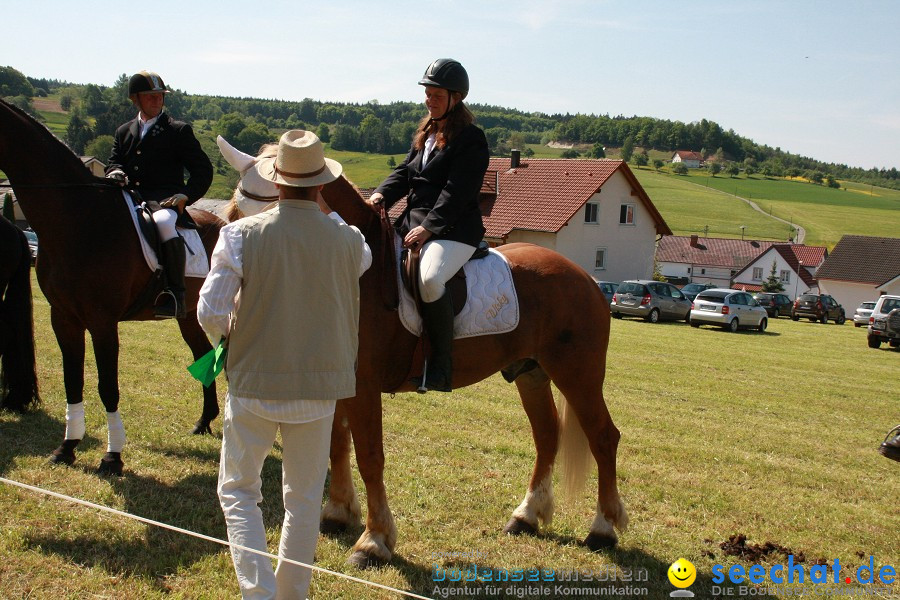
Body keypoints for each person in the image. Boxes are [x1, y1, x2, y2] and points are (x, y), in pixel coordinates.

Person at [197, 129, 371, 599]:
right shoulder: (351, 241)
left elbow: (209, 313)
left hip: (253, 382)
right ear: (321, 185)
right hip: (319, 391)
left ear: (275, 182)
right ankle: (292, 594)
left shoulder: (237, 234)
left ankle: (259, 594)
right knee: (303, 499)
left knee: (238, 492)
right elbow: (362, 259)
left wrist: (238, 329)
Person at [365, 58, 489, 393]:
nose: (429, 99)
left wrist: (431, 228)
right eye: (427, 92)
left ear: (456, 97)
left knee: (430, 278)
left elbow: (457, 192)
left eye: (436, 93)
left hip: (456, 228)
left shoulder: (471, 138)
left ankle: (440, 367)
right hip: (412, 222)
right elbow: (405, 173)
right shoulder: (426, 133)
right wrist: (379, 196)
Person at [106, 70, 213, 319]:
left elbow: (203, 170)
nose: (157, 101)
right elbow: (114, 162)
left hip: (164, 199)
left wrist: (186, 195)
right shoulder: (124, 131)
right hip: (130, 196)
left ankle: (175, 292)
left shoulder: (177, 131)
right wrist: (116, 172)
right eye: (151, 97)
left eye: (160, 96)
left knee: (164, 223)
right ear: (137, 99)